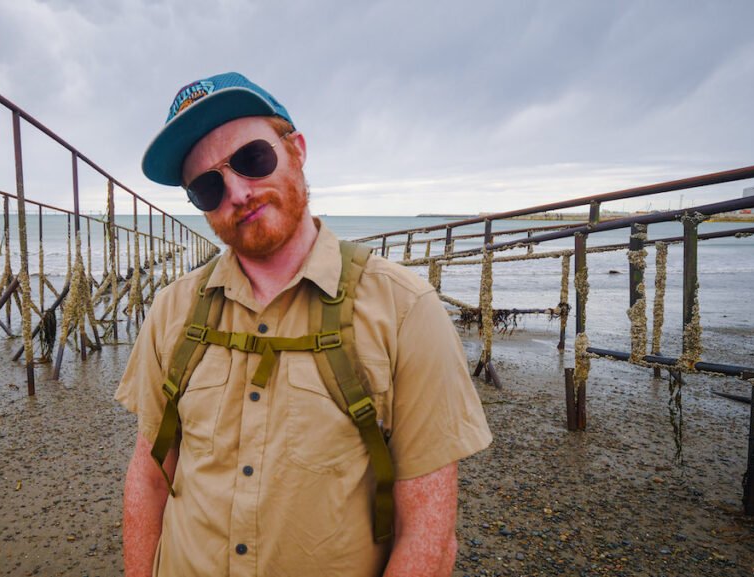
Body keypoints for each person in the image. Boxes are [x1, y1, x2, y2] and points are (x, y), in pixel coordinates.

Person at [115, 72, 492, 577]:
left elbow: (428, 529)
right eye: (207, 187)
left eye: (252, 159)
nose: (237, 192)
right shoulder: (171, 311)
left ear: (296, 149)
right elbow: (149, 475)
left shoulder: (404, 311)